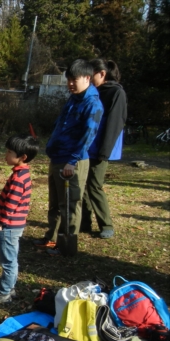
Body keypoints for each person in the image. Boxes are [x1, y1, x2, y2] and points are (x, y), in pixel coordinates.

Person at [33, 59, 103, 255]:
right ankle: (52, 237)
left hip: (72, 161)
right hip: (57, 157)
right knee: (55, 202)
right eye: (68, 80)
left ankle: (66, 247)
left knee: (70, 204)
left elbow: (88, 136)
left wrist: (72, 161)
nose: (70, 84)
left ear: (87, 78)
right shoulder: (74, 98)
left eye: (74, 80)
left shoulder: (92, 103)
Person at [0, 135, 39, 303]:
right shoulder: (22, 174)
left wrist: (2, 222)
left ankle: (5, 292)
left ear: (23, 157)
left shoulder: (17, 179)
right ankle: (8, 288)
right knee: (10, 258)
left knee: (8, 260)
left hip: (10, 227)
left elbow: (11, 205)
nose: (6, 155)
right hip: (14, 225)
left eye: (9, 152)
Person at [81, 59, 127, 239]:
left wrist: (104, 151)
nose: (88, 79)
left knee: (94, 185)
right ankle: (84, 222)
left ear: (102, 73)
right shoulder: (93, 93)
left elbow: (115, 123)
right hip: (87, 146)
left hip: (101, 148)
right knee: (84, 184)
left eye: (90, 75)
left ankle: (106, 224)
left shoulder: (116, 93)